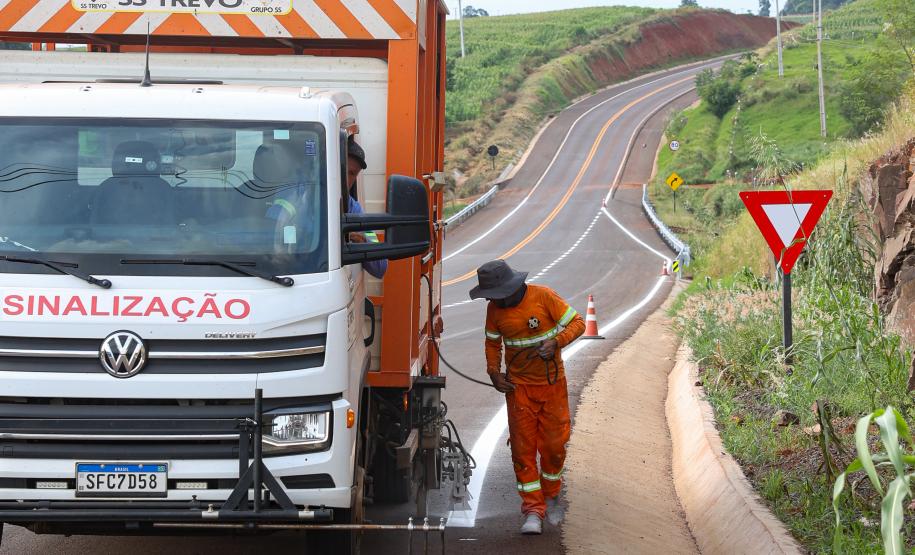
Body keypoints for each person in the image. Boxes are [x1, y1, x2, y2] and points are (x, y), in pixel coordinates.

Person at [470, 259, 585, 536]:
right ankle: (533, 509)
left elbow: (578, 323)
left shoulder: (543, 296)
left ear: (511, 288)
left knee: (554, 447)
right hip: (519, 389)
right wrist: (493, 373)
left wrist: (556, 342)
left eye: (494, 295)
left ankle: (551, 494)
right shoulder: (494, 311)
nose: (491, 300)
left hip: (551, 385)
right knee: (522, 452)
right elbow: (492, 343)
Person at [345, 137, 387, 279]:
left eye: (352, 174)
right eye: (343, 170)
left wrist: (362, 242)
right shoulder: (300, 197)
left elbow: (381, 267)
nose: (347, 179)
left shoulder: (355, 210)